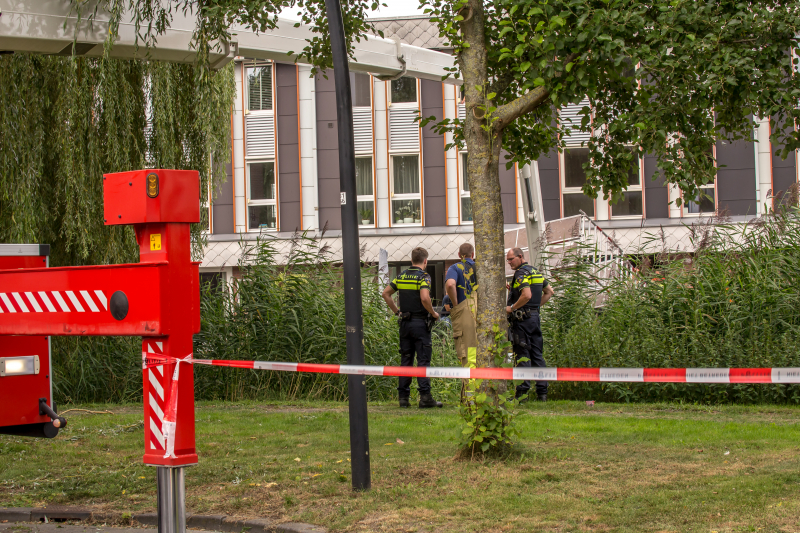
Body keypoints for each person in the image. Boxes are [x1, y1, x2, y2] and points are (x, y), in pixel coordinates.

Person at [382, 247, 443, 408]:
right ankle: (425, 397)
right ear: (425, 261)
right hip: (420, 324)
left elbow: (386, 294)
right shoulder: (424, 277)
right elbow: (424, 297)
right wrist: (433, 313)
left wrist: (397, 312)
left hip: (405, 324)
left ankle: (403, 398)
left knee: (406, 360)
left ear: (411, 260)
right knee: (423, 361)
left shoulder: (401, 276)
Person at [505, 247, 554, 402]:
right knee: (537, 355)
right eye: (508, 260)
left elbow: (526, 294)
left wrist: (512, 308)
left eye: (511, 259)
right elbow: (549, 292)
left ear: (520, 256)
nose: (509, 263)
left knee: (522, 355)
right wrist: (535, 308)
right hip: (534, 318)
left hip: (522, 321)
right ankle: (542, 393)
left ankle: (522, 394)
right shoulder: (535, 272)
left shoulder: (521, 273)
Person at [445, 243, 478, 371]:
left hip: (466, 314)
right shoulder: (480, 267)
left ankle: (471, 386)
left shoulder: (455, 267)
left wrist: (456, 304)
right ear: (473, 254)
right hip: (483, 311)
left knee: (469, 351)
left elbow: (450, 285)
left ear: (459, 255)